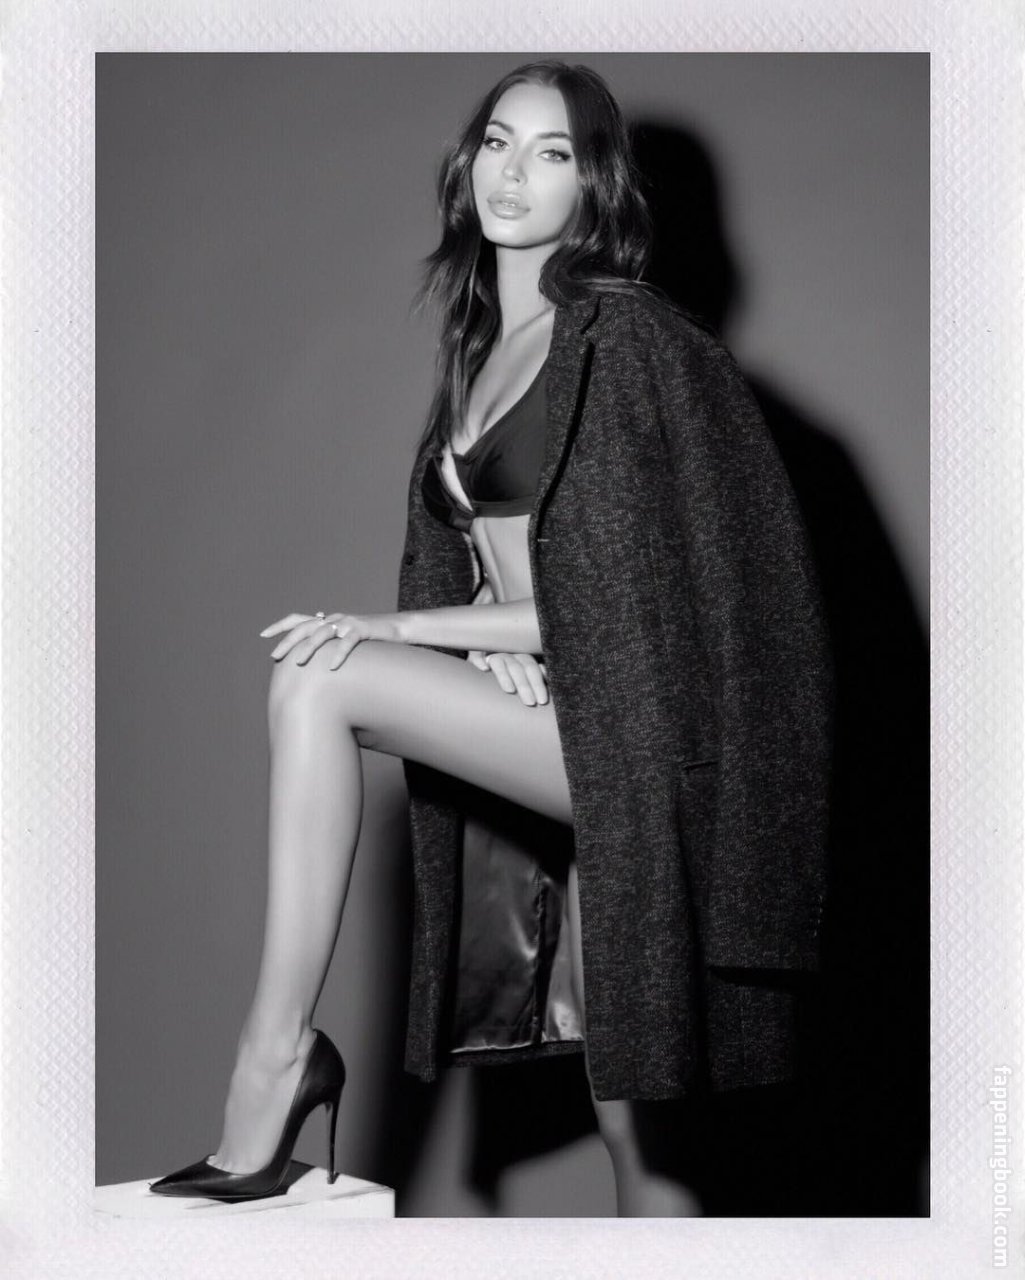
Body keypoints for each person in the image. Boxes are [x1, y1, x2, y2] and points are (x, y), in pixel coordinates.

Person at [150, 59, 833, 1217]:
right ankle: (281, 1065)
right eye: (497, 143)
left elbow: (631, 601)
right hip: (558, 720)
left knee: (317, 676)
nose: (513, 173)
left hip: (635, 739)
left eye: (551, 152)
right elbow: (520, 568)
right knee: (637, 1128)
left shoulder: (620, 339)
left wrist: (403, 627)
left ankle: (275, 1058)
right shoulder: (477, 350)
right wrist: (477, 643)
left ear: (592, 184)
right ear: (466, 164)